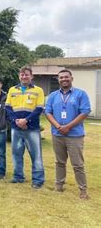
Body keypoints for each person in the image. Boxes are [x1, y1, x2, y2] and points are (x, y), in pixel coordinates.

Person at [45, 69, 91, 199]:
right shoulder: (53, 95)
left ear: (72, 78)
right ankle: (59, 185)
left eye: (66, 77)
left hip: (75, 135)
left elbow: (85, 112)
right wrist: (59, 126)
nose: (64, 79)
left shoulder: (80, 94)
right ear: (58, 80)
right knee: (59, 162)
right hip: (57, 134)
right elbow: (48, 112)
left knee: (77, 164)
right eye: (61, 78)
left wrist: (68, 126)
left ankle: (83, 190)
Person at [5, 66, 45, 189]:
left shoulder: (38, 90)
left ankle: (38, 180)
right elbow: (7, 107)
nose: (24, 76)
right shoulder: (12, 90)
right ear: (19, 76)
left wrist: (26, 120)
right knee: (16, 153)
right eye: (22, 74)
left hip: (32, 128)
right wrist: (15, 120)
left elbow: (39, 108)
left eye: (26, 74)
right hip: (16, 127)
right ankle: (18, 177)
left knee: (36, 155)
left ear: (31, 76)